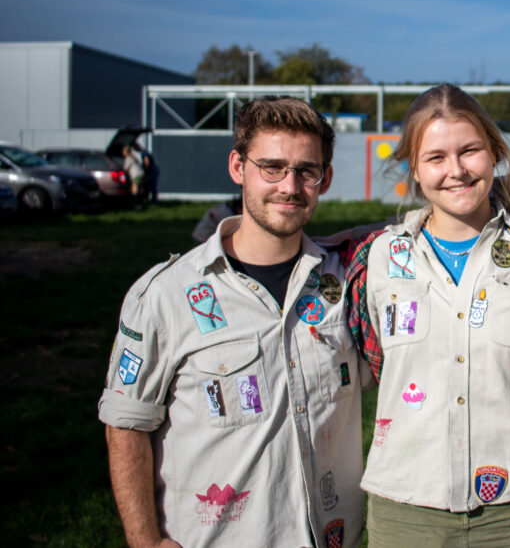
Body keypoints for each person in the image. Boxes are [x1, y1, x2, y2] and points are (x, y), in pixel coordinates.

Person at [98, 96, 366, 548]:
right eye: (272, 167)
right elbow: (125, 425)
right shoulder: (166, 294)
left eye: (307, 171)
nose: (290, 186)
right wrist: (145, 542)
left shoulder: (347, 279)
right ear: (238, 167)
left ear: (326, 179)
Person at [350, 84, 510, 547]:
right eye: (436, 157)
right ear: (414, 169)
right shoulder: (381, 257)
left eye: (470, 151)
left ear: (494, 153)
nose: (456, 170)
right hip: (407, 511)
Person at [123, 144, 146, 210]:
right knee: (140, 190)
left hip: (136, 175)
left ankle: (137, 205)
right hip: (142, 174)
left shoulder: (128, 158)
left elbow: (125, 168)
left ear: (126, 152)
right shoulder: (134, 157)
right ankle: (141, 204)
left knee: (134, 190)